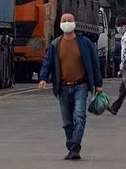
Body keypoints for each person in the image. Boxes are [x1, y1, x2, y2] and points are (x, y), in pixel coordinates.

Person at [39, 12, 103, 159]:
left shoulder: (85, 43)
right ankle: (71, 146)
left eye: (69, 20)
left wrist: (98, 84)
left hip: (81, 86)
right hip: (63, 88)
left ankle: (75, 147)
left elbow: (94, 64)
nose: (67, 23)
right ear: (60, 24)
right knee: (67, 121)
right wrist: (43, 78)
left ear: (75, 23)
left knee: (79, 116)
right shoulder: (55, 44)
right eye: (64, 20)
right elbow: (47, 63)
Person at [109, 16, 126, 116]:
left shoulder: (125, 38)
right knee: (123, 89)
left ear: (124, 26)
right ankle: (114, 108)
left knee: (124, 87)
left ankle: (114, 108)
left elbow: (124, 54)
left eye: (119, 26)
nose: (117, 29)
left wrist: (121, 67)